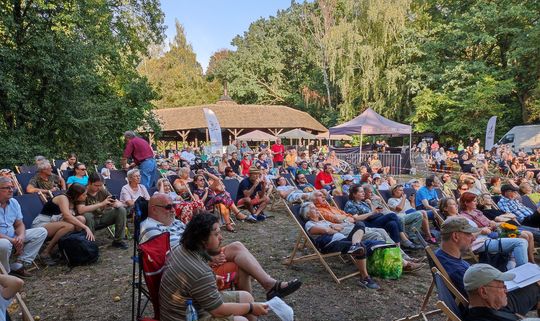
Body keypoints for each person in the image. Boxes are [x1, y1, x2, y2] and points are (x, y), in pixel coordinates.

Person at [141, 194, 301, 301]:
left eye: (173, 206)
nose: (173, 210)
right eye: (168, 207)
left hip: (198, 258)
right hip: (187, 270)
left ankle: (261, 294)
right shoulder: (150, 229)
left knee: (239, 252)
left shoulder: (174, 221)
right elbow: (177, 255)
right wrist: (208, 256)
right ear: (154, 209)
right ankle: (266, 291)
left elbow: (192, 239)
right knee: (238, 256)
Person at [159, 213, 270, 321]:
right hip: (188, 316)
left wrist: (213, 277)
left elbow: (192, 282)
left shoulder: (183, 248)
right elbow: (218, 310)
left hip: (189, 305)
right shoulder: (200, 271)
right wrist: (251, 308)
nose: (221, 238)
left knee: (247, 297)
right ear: (203, 240)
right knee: (241, 318)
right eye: (216, 234)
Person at [435, 216, 540, 317]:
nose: (473, 238)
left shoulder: (441, 255)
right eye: (469, 234)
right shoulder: (455, 269)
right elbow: (484, 298)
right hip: (495, 308)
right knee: (536, 284)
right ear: (455, 236)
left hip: (489, 298)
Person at [300, 201, 380, 289]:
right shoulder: (309, 224)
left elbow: (340, 227)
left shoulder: (324, 221)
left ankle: (355, 245)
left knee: (360, 224)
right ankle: (364, 278)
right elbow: (327, 231)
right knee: (361, 247)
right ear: (307, 214)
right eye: (312, 208)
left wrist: (334, 227)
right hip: (331, 245)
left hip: (343, 240)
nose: (316, 209)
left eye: (315, 207)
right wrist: (333, 227)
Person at [458, 192, 532, 265]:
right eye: (474, 201)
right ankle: (522, 266)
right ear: (466, 203)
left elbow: (489, 221)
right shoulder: (464, 217)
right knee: (522, 239)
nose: (476, 203)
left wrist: (494, 223)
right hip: (484, 239)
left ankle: (525, 261)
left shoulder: (477, 211)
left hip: (493, 233)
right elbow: (470, 234)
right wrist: (483, 229)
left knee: (526, 235)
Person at [31, 183, 95, 265]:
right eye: (84, 195)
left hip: (55, 222)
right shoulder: (63, 198)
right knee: (69, 226)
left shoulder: (73, 200)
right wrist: (86, 227)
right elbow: (67, 216)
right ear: (76, 194)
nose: (86, 196)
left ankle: (67, 249)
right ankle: (45, 252)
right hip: (42, 224)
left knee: (81, 219)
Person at [342, 186, 421, 249]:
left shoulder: (363, 202)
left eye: (363, 191)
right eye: (361, 192)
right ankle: (404, 239)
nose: (363, 193)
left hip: (374, 219)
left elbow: (374, 211)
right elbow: (356, 218)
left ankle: (397, 248)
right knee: (392, 215)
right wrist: (372, 212)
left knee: (392, 224)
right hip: (365, 224)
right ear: (354, 194)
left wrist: (372, 204)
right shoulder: (350, 204)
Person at [0, 177, 48, 277]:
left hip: (12, 236)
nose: (11, 190)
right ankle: (6, 273)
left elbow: (19, 224)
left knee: (41, 232)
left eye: (12, 187)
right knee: (4, 244)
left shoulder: (13, 202)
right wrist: (12, 240)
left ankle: (19, 264)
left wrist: (20, 237)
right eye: (7, 188)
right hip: (3, 239)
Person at [77, 173, 128, 249]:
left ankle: (118, 241)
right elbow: (80, 210)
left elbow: (117, 202)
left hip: (102, 217)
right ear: (89, 183)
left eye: (101, 185)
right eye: (96, 185)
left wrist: (116, 204)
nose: (99, 188)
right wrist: (102, 204)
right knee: (87, 215)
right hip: (90, 220)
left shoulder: (102, 190)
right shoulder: (82, 191)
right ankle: (90, 244)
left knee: (121, 210)